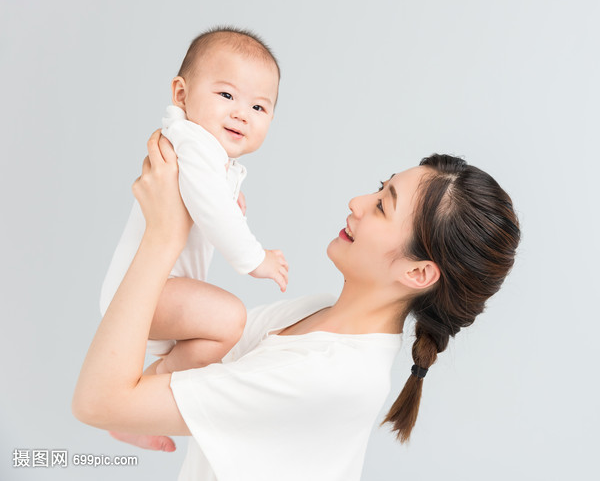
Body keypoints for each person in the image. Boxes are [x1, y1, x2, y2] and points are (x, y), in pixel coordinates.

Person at [73, 131, 521, 480]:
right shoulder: (316, 316)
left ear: (418, 273)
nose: (358, 203)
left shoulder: (332, 376)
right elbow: (179, 356)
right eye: (378, 188)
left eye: (383, 207)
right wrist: (199, 225)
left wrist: (163, 236)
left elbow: (98, 401)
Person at [99, 26, 289, 381]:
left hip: (160, 287)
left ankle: (136, 401)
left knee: (208, 348)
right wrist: (256, 258)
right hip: (149, 287)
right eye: (227, 95)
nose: (242, 113)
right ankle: (140, 396)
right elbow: (215, 214)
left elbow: (206, 195)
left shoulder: (201, 151)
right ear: (181, 94)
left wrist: (228, 191)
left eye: (258, 106)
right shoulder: (195, 143)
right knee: (230, 318)